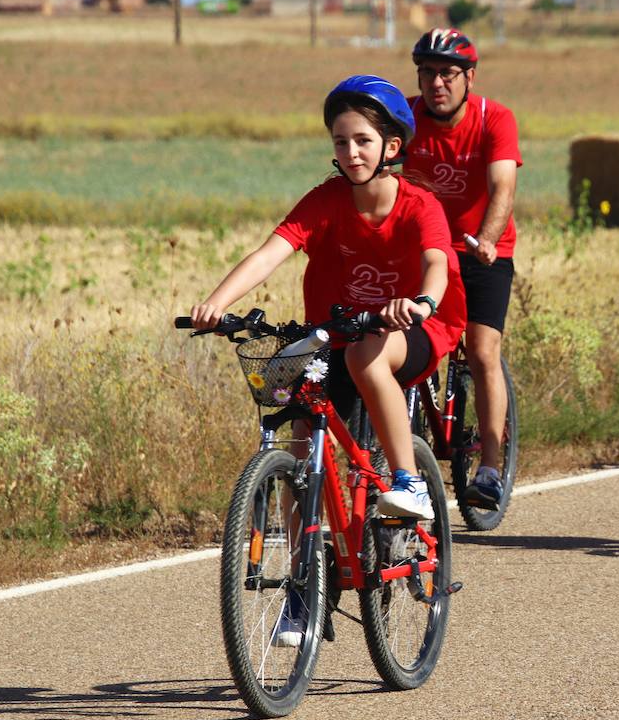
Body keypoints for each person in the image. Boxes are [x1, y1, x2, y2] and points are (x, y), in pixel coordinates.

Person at [189, 75, 467, 521]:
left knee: (365, 356)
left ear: (391, 147)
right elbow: (268, 254)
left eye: (362, 140)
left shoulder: (419, 205)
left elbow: (436, 262)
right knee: (300, 437)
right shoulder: (326, 200)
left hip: (413, 328)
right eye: (341, 141)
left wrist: (421, 303)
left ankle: (408, 480)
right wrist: (215, 304)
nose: (351, 153)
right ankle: (304, 579)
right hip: (335, 333)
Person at [403, 28, 522, 510]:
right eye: (428, 73)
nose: (437, 84)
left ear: (469, 77)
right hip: (425, 251)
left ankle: (490, 467)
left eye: (448, 74)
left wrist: (488, 240)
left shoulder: (496, 118)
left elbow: (502, 189)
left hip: (481, 251)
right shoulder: (405, 117)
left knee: (480, 348)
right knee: (402, 339)